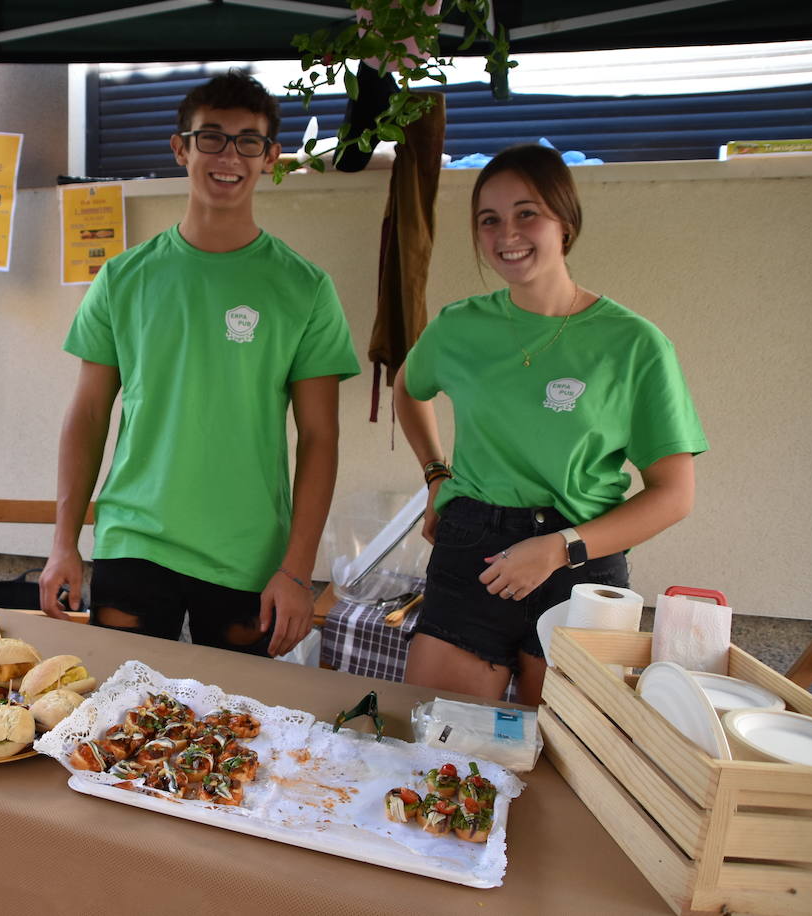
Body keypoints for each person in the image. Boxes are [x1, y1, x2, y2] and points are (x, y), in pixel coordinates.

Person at [39, 69, 361, 658]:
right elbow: (86, 415)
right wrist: (64, 543)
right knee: (119, 703)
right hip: (134, 539)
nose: (229, 155)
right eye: (211, 137)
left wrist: (297, 569)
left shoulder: (305, 287)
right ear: (180, 148)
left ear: (270, 157)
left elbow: (320, 437)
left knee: (238, 710)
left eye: (248, 141)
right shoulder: (123, 277)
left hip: (249, 554)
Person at [396, 144, 707, 705]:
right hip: (474, 553)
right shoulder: (459, 327)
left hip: (580, 562)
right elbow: (408, 388)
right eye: (489, 220)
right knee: (437, 740)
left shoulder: (634, 344)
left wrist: (560, 548)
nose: (507, 234)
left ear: (565, 221)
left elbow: (673, 495)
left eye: (527, 213)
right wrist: (435, 473)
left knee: (567, 752)